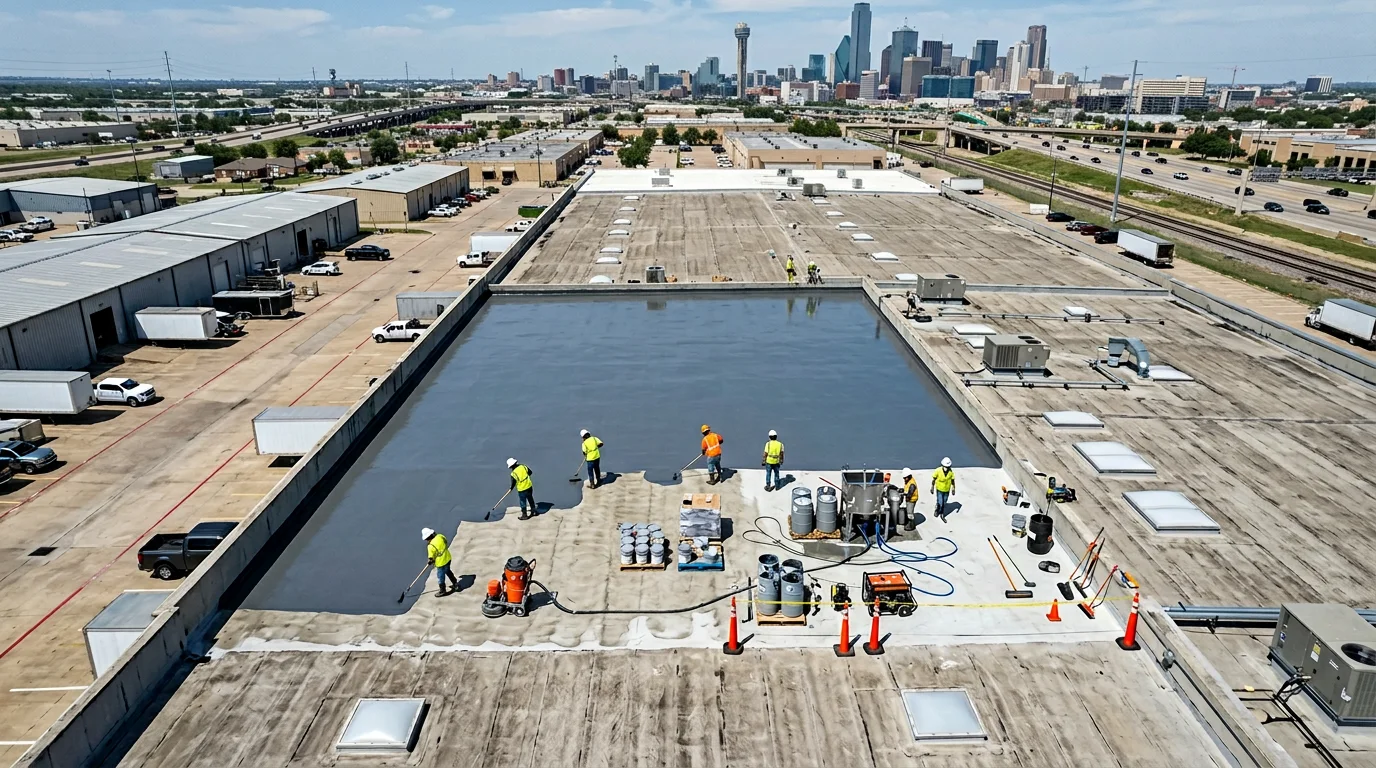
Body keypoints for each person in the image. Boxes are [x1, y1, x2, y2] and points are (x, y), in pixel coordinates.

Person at [422, 527, 459, 596]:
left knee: (440, 576)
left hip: (440, 563)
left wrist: (430, 561)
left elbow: (431, 556)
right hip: (447, 558)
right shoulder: (440, 536)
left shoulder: (430, 546)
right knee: (448, 571)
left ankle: (442, 590)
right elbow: (445, 541)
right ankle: (455, 584)